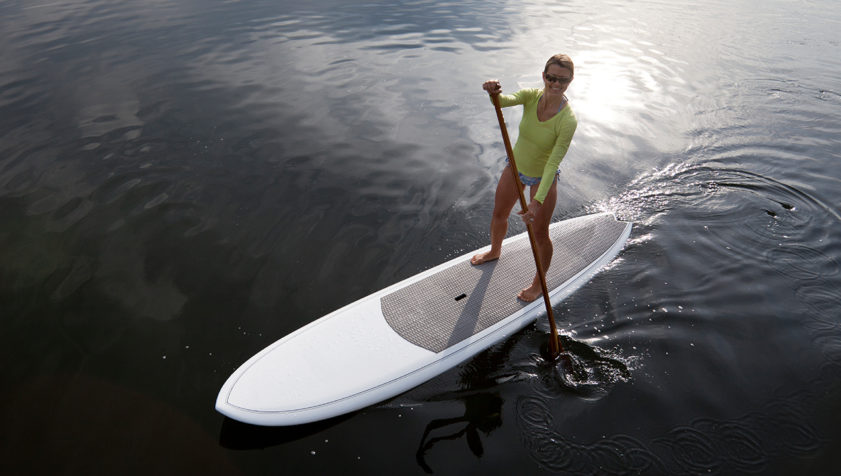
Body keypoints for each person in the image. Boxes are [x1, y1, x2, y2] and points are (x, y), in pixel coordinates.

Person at [471, 54, 578, 302]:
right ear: (544, 76)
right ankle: (495, 251)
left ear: (570, 81)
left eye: (562, 80)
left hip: (544, 176)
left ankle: (539, 284)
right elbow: (502, 102)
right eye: (551, 77)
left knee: (540, 234)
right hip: (516, 166)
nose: (555, 83)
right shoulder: (531, 96)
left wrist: (537, 201)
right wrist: (493, 92)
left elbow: (553, 162)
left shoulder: (568, 120)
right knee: (499, 214)